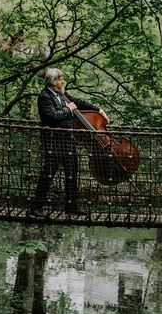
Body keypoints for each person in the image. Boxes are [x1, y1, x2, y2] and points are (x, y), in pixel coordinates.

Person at [30, 68, 108, 217]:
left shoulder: (62, 94)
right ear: (53, 82)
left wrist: (99, 110)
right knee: (48, 174)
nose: (62, 81)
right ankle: (36, 208)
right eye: (60, 79)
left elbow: (78, 103)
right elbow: (52, 116)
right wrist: (68, 109)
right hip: (53, 142)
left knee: (72, 173)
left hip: (67, 140)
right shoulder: (44, 96)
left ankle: (71, 207)